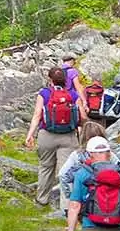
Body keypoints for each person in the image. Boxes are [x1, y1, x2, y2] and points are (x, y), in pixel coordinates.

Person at [25, 67, 83, 207]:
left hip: (47, 135)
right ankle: (66, 205)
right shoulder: (73, 95)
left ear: (49, 79)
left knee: (46, 167)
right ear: (66, 79)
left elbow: (37, 115)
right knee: (67, 171)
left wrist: (30, 134)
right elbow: (82, 117)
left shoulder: (44, 94)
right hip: (68, 136)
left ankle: (42, 199)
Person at [58, 123, 120, 214]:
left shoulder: (77, 155)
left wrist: (70, 195)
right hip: (107, 198)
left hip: (82, 198)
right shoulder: (109, 155)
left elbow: (62, 175)